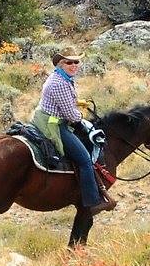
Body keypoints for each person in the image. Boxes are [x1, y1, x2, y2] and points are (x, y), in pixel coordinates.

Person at [32, 48, 115, 215]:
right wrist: (80, 114)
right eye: (68, 62)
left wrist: (77, 102)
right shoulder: (60, 83)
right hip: (54, 123)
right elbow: (70, 115)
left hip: (50, 117)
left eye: (76, 61)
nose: (73, 65)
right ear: (60, 64)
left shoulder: (62, 78)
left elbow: (66, 103)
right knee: (85, 160)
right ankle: (92, 202)